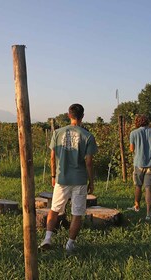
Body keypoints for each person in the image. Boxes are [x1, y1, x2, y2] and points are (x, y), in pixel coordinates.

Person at [39, 104, 98, 253]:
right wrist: (91, 181)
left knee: (54, 209)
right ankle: (70, 244)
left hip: (62, 178)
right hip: (79, 179)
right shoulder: (88, 136)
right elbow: (89, 162)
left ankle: (47, 238)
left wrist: (53, 176)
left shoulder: (58, 133)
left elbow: (52, 158)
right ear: (82, 116)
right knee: (77, 213)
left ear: (68, 115)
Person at [127, 114, 151, 221]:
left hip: (138, 164)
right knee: (148, 188)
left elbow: (131, 149)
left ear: (137, 122)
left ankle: (136, 205)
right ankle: (148, 213)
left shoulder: (133, 133)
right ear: (147, 121)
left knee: (138, 186)